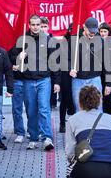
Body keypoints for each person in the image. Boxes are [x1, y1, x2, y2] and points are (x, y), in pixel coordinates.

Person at [11, 15, 61, 151]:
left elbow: (55, 62)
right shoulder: (22, 39)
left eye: (38, 24)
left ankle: (47, 138)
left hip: (44, 80)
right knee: (31, 110)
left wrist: (57, 82)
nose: (35, 27)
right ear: (29, 24)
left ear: (41, 25)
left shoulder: (48, 40)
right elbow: (10, 57)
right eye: (33, 24)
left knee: (44, 108)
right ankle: (33, 138)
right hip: (27, 81)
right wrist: (17, 57)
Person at [70, 17, 111, 113]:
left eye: (94, 31)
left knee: (97, 108)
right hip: (78, 79)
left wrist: (108, 84)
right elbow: (66, 58)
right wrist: (70, 69)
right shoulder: (74, 39)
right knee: (79, 108)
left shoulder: (101, 41)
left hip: (95, 78)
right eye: (90, 31)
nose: (92, 33)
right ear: (84, 27)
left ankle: (97, 128)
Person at [58, 23, 76, 133]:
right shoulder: (64, 42)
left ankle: (75, 122)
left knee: (77, 99)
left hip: (78, 73)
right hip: (65, 73)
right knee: (65, 99)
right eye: (71, 30)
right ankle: (62, 123)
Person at [98, 22, 111, 118]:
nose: (103, 33)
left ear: (109, 32)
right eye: (101, 31)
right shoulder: (96, 44)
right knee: (101, 99)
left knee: (108, 97)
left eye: (105, 31)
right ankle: (103, 119)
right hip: (99, 76)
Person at [41, 16, 58, 110]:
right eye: (41, 26)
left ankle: (53, 103)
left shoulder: (52, 40)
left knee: (51, 90)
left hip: (50, 70)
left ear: (48, 27)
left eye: (45, 26)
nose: (43, 29)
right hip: (40, 71)